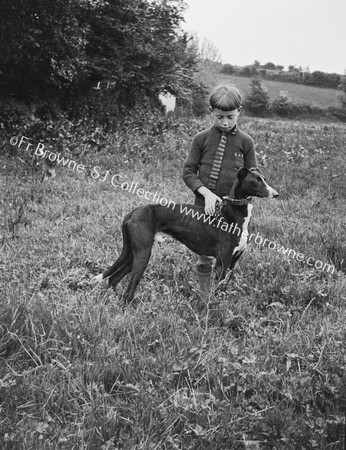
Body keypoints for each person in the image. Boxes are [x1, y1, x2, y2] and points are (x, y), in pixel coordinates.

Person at [182, 84, 258, 296]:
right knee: (204, 253)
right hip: (204, 207)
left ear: (239, 112)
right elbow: (188, 172)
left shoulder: (246, 142)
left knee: (228, 252)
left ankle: (220, 291)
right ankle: (205, 297)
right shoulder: (201, 139)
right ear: (211, 112)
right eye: (219, 117)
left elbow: (253, 176)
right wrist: (205, 193)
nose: (225, 122)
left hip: (234, 213)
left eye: (230, 117)